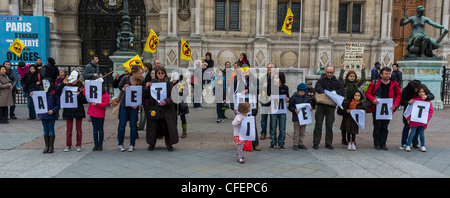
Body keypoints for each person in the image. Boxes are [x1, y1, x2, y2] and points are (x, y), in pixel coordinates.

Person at [365, 67, 402, 150]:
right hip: (377, 108)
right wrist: (373, 99)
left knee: (385, 127)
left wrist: (395, 105)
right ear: (381, 75)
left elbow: (398, 95)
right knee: (377, 126)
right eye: (386, 73)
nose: (388, 75)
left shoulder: (394, 84)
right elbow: (368, 93)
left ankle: (383, 143)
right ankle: (377, 143)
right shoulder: (375, 83)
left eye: (389, 73)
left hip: (388, 108)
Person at [144, 66, 179, 151]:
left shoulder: (169, 84)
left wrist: (166, 101)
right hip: (154, 108)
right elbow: (145, 96)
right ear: (156, 74)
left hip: (166, 109)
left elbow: (174, 96)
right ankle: (152, 144)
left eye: (162, 73)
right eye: (159, 73)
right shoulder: (151, 83)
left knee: (167, 127)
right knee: (153, 127)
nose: (160, 75)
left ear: (165, 74)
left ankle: (169, 144)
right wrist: (146, 87)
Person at [313, 66, 345, 149]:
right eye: (328, 72)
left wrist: (333, 92)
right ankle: (316, 142)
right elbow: (317, 87)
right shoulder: (321, 80)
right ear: (325, 71)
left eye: (331, 73)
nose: (329, 74)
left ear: (334, 72)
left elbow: (342, 91)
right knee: (318, 124)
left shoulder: (338, 82)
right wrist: (324, 91)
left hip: (331, 106)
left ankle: (328, 143)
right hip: (321, 105)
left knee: (329, 125)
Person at [231, 64, 261, 151]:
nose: (245, 74)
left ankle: (255, 143)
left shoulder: (254, 80)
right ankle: (243, 143)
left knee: (252, 124)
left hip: (251, 106)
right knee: (241, 125)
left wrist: (248, 90)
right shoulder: (236, 80)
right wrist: (233, 106)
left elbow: (259, 88)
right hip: (240, 107)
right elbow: (231, 93)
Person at [399, 80, 434, 150]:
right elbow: (401, 102)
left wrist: (426, 96)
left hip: (419, 113)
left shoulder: (421, 87)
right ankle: (404, 143)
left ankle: (415, 143)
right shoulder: (405, 91)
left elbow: (432, 96)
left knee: (418, 129)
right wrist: (408, 102)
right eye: (415, 90)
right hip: (409, 111)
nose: (417, 92)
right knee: (407, 127)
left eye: (417, 90)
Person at [56, 75, 87, 152]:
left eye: (74, 80)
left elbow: (85, 100)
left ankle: (78, 145)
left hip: (78, 110)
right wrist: (63, 83)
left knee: (78, 129)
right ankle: (68, 145)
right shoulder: (66, 86)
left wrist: (79, 95)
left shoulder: (81, 88)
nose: (73, 81)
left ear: (77, 80)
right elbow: (57, 92)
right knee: (69, 130)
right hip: (68, 110)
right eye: (72, 79)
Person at [117, 65, 144, 152]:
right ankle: (120, 143)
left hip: (134, 106)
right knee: (122, 124)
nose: (141, 75)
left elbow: (141, 93)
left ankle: (132, 144)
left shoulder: (141, 81)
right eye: (140, 73)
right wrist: (123, 88)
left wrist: (138, 103)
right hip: (124, 105)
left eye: (142, 73)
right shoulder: (125, 78)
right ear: (134, 73)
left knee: (133, 125)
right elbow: (120, 87)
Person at [338, 63, 366, 145]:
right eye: (351, 76)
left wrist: (363, 69)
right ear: (348, 77)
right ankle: (344, 138)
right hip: (346, 105)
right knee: (345, 122)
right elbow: (340, 78)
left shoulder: (356, 85)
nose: (352, 77)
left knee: (353, 123)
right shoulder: (345, 84)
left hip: (354, 106)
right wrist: (342, 69)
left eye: (353, 76)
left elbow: (363, 78)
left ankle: (352, 139)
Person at [36, 78, 60, 154]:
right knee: (45, 131)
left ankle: (51, 146)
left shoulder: (54, 93)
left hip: (51, 114)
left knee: (51, 130)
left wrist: (53, 110)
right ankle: (47, 146)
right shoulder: (40, 92)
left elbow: (58, 104)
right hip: (43, 114)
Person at [269, 72, 289, 151]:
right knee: (273, 127)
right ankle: (273, 143)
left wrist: (287, 99)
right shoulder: (272, 87)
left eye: (276, 78)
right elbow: (268, 96)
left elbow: (288, 97)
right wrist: (269, 98)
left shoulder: (285, 88)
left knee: (282, 128)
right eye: (274, 78)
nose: (274, 79)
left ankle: (281, 143)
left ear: (281, 79)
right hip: (274, 109)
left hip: (282, 110)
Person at [87, 83, 110, 151]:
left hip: (100, 114)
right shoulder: (93, 92)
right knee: (95, 130)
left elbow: (106, 103)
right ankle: (96, 144)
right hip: (93, 113)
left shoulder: (105, 94)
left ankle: (100, 144)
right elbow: (85, 93)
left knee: (100, 129)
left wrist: (97, 104)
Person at [288, 83, 310, 150]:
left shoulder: (307, 98)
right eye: (301, 92)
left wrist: (310, 108)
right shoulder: (293, 98)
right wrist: (294, 110)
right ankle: (295, 143)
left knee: (302, 131)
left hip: (304, 117)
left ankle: (301, 143)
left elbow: (309, 105)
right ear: (298, 91)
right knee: (296, 131)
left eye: (303, 92)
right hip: (296, 117)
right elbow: (290, 107)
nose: (302, 93)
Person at [259, 63, 275, 140]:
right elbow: (258, 87)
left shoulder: (276, 77)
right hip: (264, 100)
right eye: (268, 67)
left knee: (273, 118)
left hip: (273, 100)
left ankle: (272, 134)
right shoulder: (264, 77)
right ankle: (263, 133)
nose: (269, 69)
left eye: (271, 67)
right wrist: (263, 86)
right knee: (263, 118)